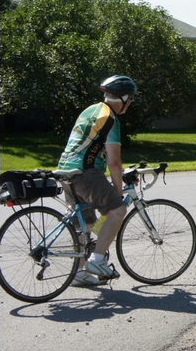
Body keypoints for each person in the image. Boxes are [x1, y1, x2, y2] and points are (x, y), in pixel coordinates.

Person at [58, 75, 137, 287]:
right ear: (124, 98)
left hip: (65, 170)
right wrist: (118, 192)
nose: (130, 104)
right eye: (131, 100)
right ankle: (97, 260)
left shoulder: (90, 110)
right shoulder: (110, 118)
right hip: (86, 172)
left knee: (86, 223)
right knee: (117, 211)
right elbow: (114, 161)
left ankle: (79, 272)